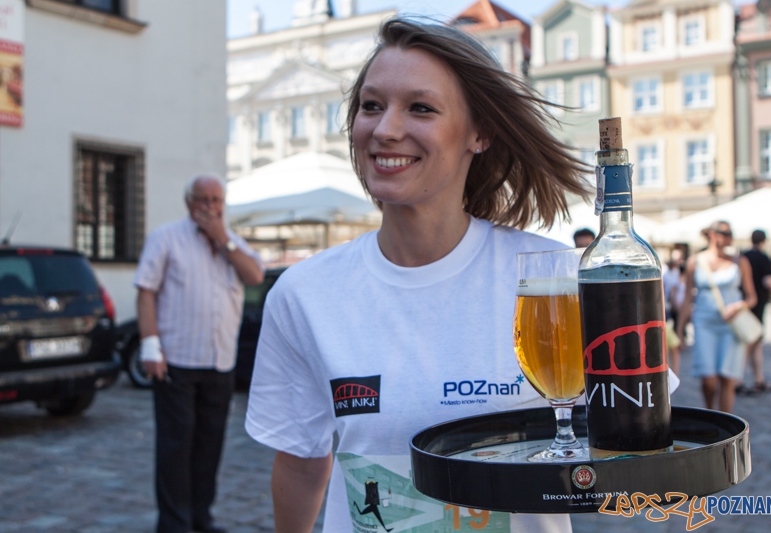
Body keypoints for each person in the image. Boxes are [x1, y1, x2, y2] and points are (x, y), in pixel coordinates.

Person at [245, 18, 589, 533]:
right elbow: (299, 460)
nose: (385, 129)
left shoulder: (552, 278)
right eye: (371, 105)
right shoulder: (305, 292)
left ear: (480, 133)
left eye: (421, 108)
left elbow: (634, 439)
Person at [134, 174, 264, 533]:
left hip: (219, 362)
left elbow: (255, 275)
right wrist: (149, 345)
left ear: (223, 205)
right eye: (202, 199)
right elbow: (146, 291)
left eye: (215, 200)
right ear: (188, 202)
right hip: (176, 360)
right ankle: (174, 524)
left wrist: (223, 240)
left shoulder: (233, 243)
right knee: (176, 447)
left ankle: (200, 518)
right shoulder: (166, 237)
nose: (209, 206)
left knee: (209, 447)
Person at [676, 221, 757, 413]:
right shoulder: (695, 262)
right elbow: (688, 297)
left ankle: (725, 423)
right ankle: (711, 412)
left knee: (727, 377)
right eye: (725, 233)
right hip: (704, 323)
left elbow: (752, 296)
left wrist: (739, 305)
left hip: (731, 324)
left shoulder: (740, 261)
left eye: (731, 234)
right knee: (708, 377)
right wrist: (680, 329)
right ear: (712, 235)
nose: (729, 237)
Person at [740, 229, 771, 394]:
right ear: (764, 241)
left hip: (745, 305)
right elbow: (768, 281)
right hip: (756, 306)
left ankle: (759, 379)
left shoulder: (744, 256)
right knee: (750, 343)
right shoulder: (764, 258)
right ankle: (738, 380)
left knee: (755, 343)